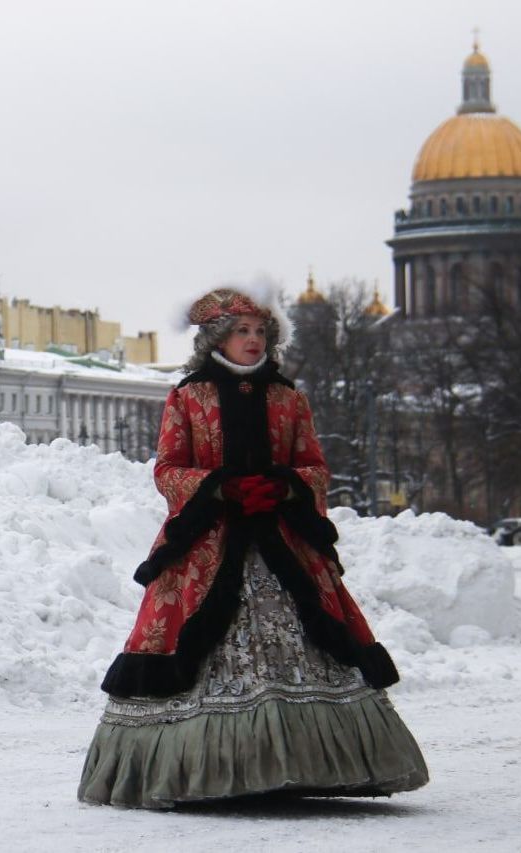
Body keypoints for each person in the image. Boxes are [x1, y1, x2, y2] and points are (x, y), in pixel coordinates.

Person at [76, 287, 429, 809]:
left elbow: (314, 467)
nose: (253, 340)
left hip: (279, 536)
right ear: (218, 337)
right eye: (242, 331)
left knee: (308, 625)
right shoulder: (188, 396)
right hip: (210, 541)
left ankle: (309, 763)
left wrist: (286, 484)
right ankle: (200, 769)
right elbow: (168, 469)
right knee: (196, 635)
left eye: (261, 332)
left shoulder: (288, 396)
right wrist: (219, 486)